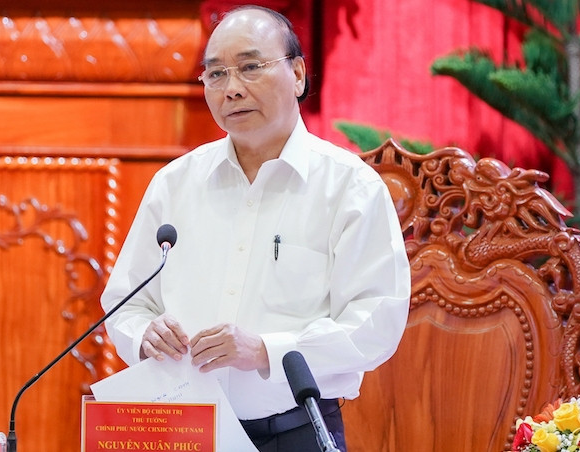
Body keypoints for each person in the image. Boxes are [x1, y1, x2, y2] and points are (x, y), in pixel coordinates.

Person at [100, 5, 410, 452]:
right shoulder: (175, 183)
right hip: (182, 432)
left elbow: (375, 323)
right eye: (216, 74)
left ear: (298, 74)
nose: (231, 89)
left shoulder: (349, 187)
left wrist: (266, 350)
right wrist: (144, 335)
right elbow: (125, 304)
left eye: (250, 67)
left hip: (295, 433)